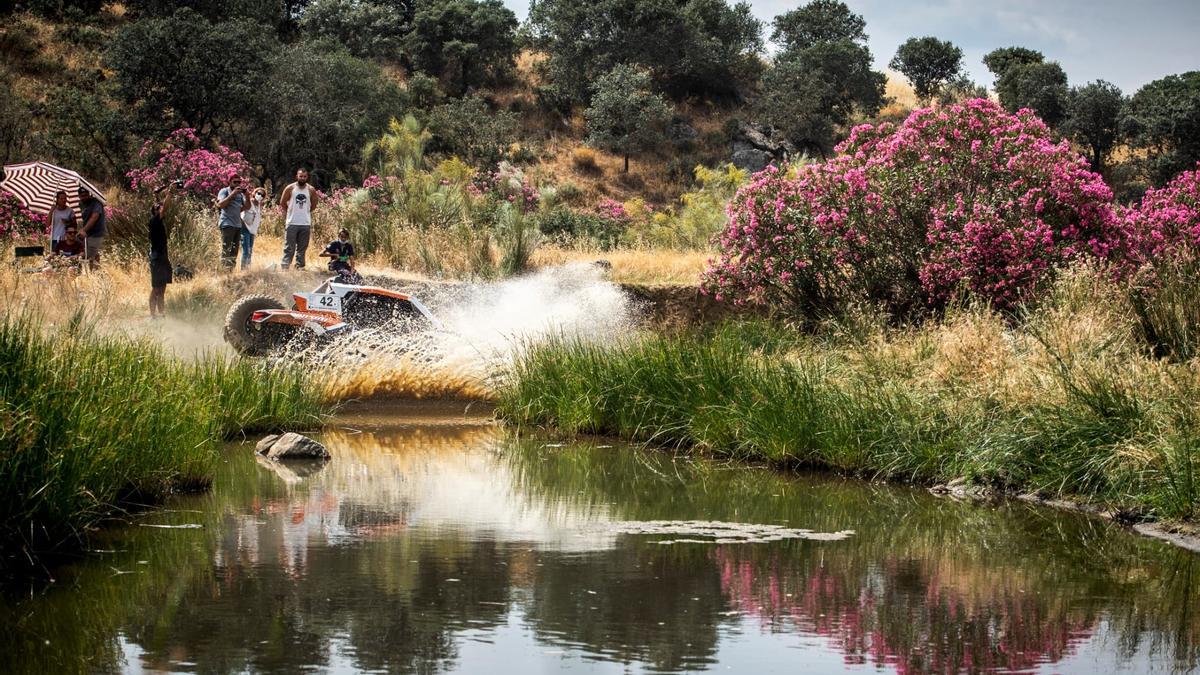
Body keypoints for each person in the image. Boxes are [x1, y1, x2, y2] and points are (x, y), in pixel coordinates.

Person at [278, 168, 319, 269]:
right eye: (300, 176)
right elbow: (282, 203)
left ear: (307, 177)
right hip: (292, 222)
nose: (302, 178)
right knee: (289, 247)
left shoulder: (311, 190)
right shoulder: (290, 188)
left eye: (304, 176)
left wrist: (305, 212)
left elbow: (314, 205)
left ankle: (299, 267)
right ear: (297, 176)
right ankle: (285, 266)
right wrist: (290, 213)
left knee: (302, 247)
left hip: (305, 223)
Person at [148, 186, 175, 318]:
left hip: (163, 258)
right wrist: (170, 193)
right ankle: (153, 316)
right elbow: (164, 207)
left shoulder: (158, 221)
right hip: (157, 258)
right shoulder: (154, 221)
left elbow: (159, 206)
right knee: (156, 289)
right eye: (158, 208)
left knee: (163, 288)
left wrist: (156, 195)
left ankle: (161, 313)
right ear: (156, 212)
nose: (161, 209)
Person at [215, 173, 250, 271]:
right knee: (226, 249)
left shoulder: (240, 194)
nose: (237, 184)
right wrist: (233, 194)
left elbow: (246, 207)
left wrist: (247, 196)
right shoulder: (224, 191)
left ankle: (230, 271)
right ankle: (223, 271)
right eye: (235, 182)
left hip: (237, 225)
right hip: (227, 224)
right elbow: (220, 205)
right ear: (230, 182)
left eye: (239, 182)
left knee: (234, 250)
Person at [77, 186, 106, 268]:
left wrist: (83, 230)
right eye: (82, 196)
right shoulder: (81, 204)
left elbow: (95, 216)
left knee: (91, 254)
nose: (84, 197)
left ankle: (95, 273)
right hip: (88, 233)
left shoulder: (96, 203)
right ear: (79, 196)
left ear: (89, 194)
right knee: (87, 253)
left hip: (97, 233)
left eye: (86, 195)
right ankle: (90, 272)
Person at [240, 187, 264, 270]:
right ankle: (243, 270)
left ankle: (248, 269)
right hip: (245, 228)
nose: (260, 196)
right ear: (254, 193)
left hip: (252, 231)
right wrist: (242, 224)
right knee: (246, 250)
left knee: (250, 251)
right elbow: (240, 212)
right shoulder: (249, 202)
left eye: (262, 195)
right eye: (259, 193)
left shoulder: (259, 206)